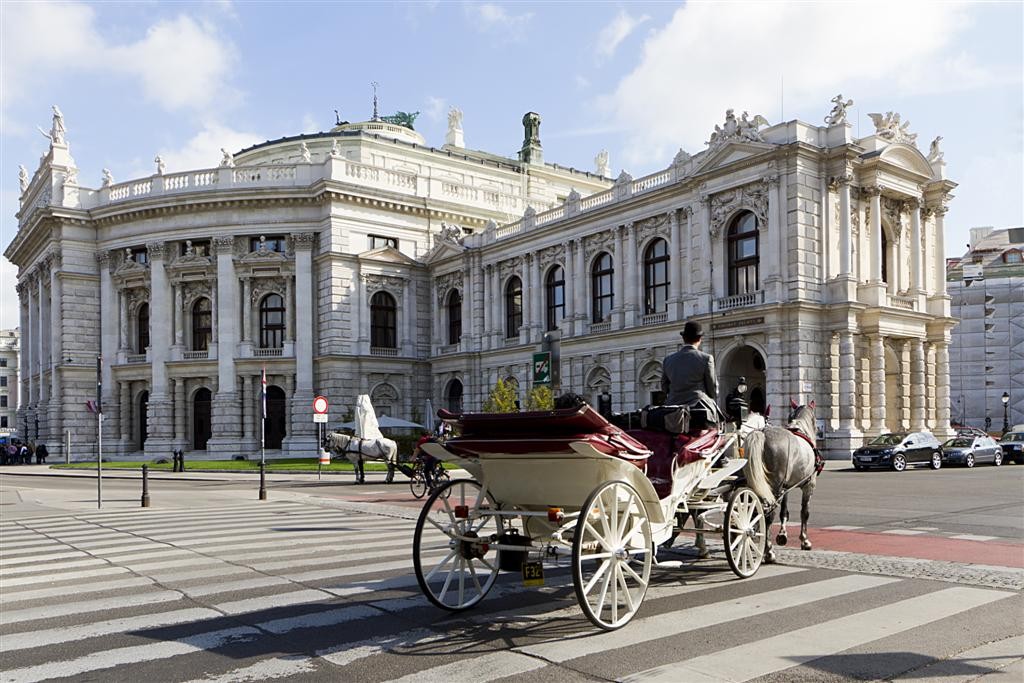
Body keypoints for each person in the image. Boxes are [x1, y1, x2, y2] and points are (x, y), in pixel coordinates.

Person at [661, 320, 719, 431]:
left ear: (683, 338)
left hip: (673, 410)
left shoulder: (668, 360)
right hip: (698, 407)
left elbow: (664, 387)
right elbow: (712, 387)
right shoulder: (706, 358)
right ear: (699, 339)